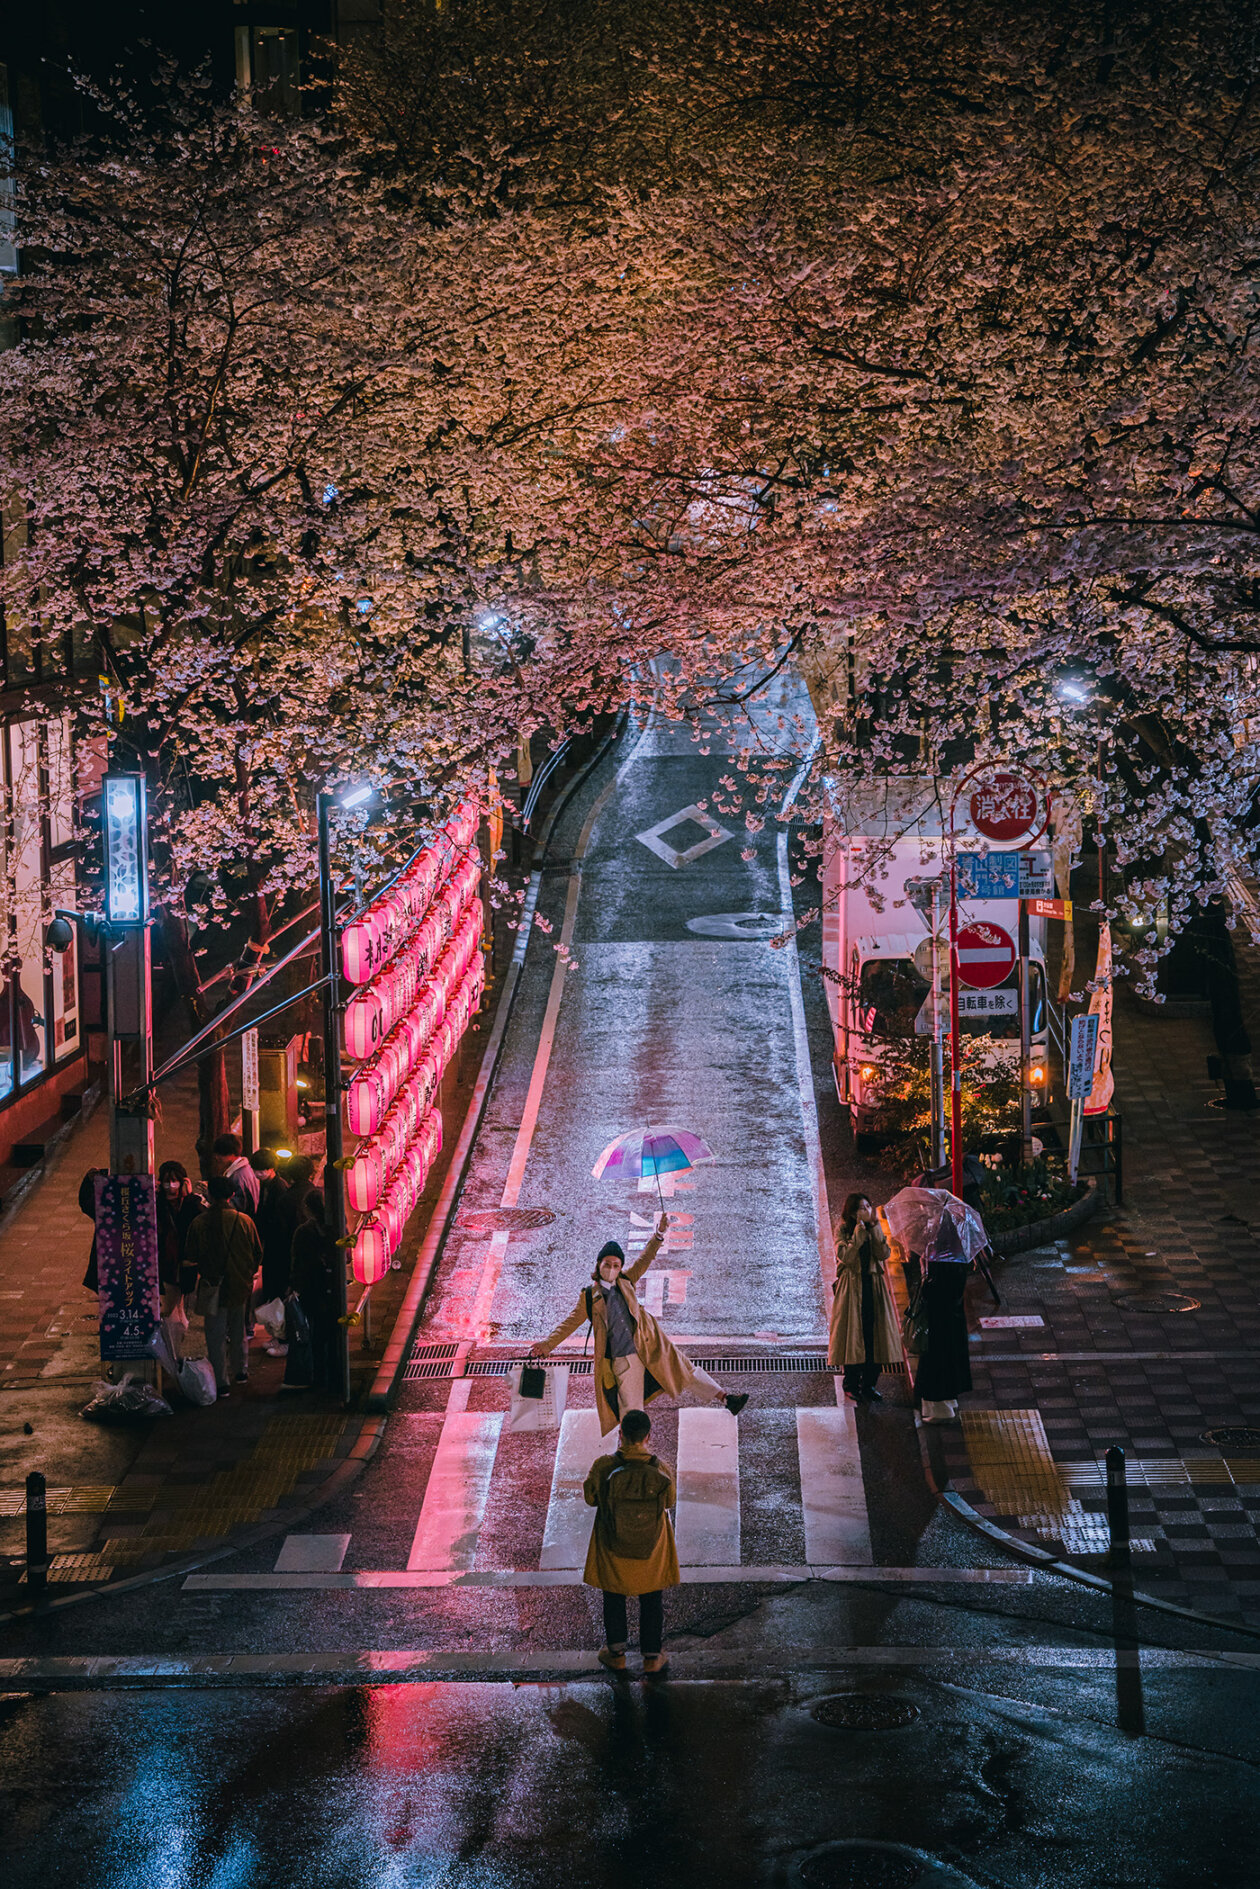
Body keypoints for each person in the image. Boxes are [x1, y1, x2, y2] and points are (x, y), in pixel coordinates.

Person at [531, 1215, 748, 1434]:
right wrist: (547, 1345)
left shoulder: (626, 1280)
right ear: (599, 1264)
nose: (611, 1269)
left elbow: (645, 1259)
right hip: (624, 1359)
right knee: (631, 1409)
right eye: (607, 1264)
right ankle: (631, 1446)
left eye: (616, 1265)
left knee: (686, 1370)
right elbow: (569, 1323)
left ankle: (726, 1398)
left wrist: (659, 1234)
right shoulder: (589, 1297)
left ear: (620, 1267)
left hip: (652, 1343)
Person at [584, 1407, 679, 1676]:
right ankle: (652, 1656)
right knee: (652, 1597)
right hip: (651, 1544)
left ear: (621, 1434)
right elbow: (669, 1502)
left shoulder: (603, 1466)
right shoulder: (660, 1468)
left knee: (613, 1594)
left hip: (612, 1540)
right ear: (648, 1436)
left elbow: (590, 1498)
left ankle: (616, 1654)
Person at [184, 1175, 262, 1393]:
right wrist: (247, 1273)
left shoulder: (199, 1223)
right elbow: (257, 1252)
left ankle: (221, 1381)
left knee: (215, 1334)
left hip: (212, 1285)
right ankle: (241, 1371)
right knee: (238, 1330)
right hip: (239, 1284)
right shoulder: (244, 1221)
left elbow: (191, 1255)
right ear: (232, 1195)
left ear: (210, 1195)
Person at [829, 1192, 902, 1404]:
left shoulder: (873, 1228)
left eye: (869, 1206)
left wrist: (874, 1228)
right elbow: (846, 1256)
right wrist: (858, 1235)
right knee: (853, 1335)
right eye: (862, 1208)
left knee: (875, 1336)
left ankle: (870, 1383)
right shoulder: (843, 1230)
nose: (867, 1210)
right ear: (853, 1213)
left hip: (874, 1287)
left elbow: (883, 1253)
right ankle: (851, 1383)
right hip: (852, 1288)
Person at [913, 1216, 974, 1423]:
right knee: (950, 1361)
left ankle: (941, 1410)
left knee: (936, 1364)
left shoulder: (940, 1259)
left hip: (938, 1322)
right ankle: (949, 1401)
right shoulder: (957, 1256)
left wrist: (924, 1272)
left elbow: (932, 1292)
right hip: (952, 1321)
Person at [289, 1188, 338, 1392]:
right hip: (332, 1286)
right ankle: (335, 1375)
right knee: (333, 1333)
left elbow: (298, 1264)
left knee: (316, 1333)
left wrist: (294, 1287)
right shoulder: (336, 1227)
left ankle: (318, 1377)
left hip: (312, 1288)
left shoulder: (304, 1232)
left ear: (307, 1209)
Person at [156, 1161, 206, 1316]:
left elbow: (201, 1218)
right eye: (167, 1182)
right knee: (169, 1306)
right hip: (165, 1260)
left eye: (175, 1181)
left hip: (185, 1260)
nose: (171, 1186)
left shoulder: (190, 1202)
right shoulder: (157, 1202)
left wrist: (189, 1196)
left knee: (180, 1302)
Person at [250, 1148, 298, 1302]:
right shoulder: (267, 1184)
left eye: (261, 1170)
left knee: (274, 1284)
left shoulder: (279, 1188)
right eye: (255, 1170)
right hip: (270, 1241)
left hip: (277, 1244)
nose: (257, 1174)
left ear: (271, 1169)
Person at [211, 1132, 260, 1217]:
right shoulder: (245, 1169)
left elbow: (238, 1206)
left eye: (221, 1154)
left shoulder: (239, 1176)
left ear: (232, 1154)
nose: (217, 1158)